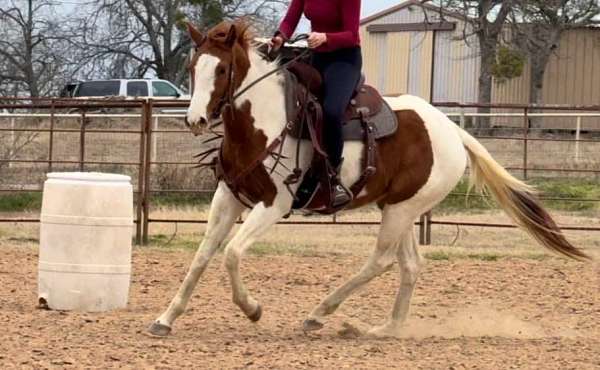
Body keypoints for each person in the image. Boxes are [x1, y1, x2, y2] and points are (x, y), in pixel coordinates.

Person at [271, 0, 362, 209]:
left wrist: (325, 37)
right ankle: (302, 170)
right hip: (318, 59)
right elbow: (290, 19)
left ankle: (333, 178)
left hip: (344, 61)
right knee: (296, 104)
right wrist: (280, 37)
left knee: (331, 111)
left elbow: (352, 35)